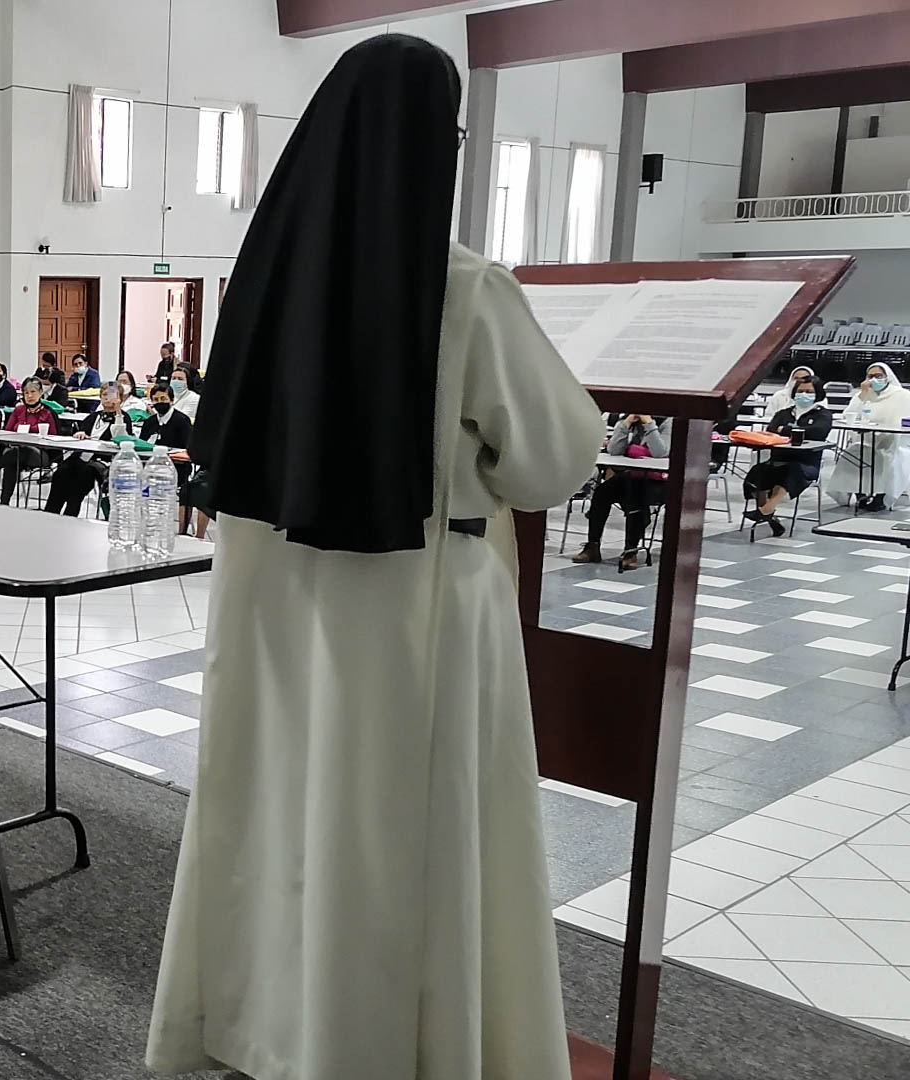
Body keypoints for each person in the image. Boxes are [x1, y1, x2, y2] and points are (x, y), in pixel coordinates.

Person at [148, 35, 601, 1080]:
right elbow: (550, 462)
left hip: (276, 598)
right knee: (404, 839)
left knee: (283, 814)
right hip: (421, 606)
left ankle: (272, 1029)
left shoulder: (263, 277)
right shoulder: (469, 289)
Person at [571, 414, 669, 570]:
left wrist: (649, 424)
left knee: (636, 495)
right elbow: (614, 450)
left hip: (658, 480)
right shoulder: (628, 420)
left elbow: (660, 452)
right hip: (631, 475)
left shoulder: (668, 422)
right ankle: (592, 546)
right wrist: (626, 424)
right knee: (602, 492)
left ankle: (631, 551)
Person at [743, 373, 834, 535]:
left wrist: (785, 430)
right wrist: (794, 432)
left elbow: (818, 432)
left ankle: (766, 510)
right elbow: (771, 430)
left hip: (806, 464)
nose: (804, 395)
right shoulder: (784, 413)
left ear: (817, 394)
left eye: (808, 392)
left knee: (790, 472)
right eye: (800, 391)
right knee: (758, 472)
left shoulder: (822, 414)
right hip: (778, 459)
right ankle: (767, 514)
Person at [823, 363, 910, 511]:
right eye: (870, 376)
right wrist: (863, 395)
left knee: (885, 458)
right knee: (852, 455)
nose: (874, 380)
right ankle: (860, 494)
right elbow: (849, 415)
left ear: (887, 377)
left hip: (891, 441)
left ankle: (880, 497)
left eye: (878, 376)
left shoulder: (902, 395)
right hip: (865, 440)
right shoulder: (863, 394)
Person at [44, 382, 135, 515]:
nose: (107, 398)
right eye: (104, 395)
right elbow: (80, 431)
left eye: (111, 395)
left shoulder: (123, 418)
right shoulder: (94, 416)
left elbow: (120, 436)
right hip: (81, 457)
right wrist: (79, 434)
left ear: (120, 398)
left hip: (101, 461)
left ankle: (71, 513)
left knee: (81, 477)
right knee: (61, 472)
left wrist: (118, 412)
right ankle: (51, 512)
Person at [0, 377, 58, 505]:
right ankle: (4, 503)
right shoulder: (18, 410)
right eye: (26, 393)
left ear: (41, 393)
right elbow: (7, 431)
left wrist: (29, 431)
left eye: (33, 392)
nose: (29, 396)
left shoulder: (47, 412)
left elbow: (54, 437)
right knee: (11, 464)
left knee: (21, 451)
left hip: (40, 454)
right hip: (16, 451)